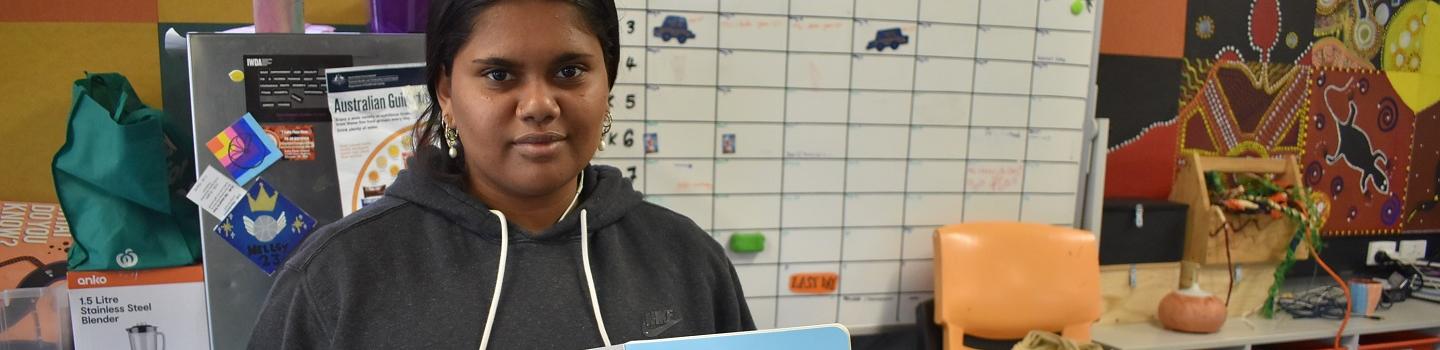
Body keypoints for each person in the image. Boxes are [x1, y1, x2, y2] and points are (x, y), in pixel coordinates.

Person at [248, 0, 755, 348]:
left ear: (608, 81)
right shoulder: (337, 274)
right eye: (498, 74)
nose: (538, 105)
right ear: (446, 91)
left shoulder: (688, 260)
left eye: (570, 71)